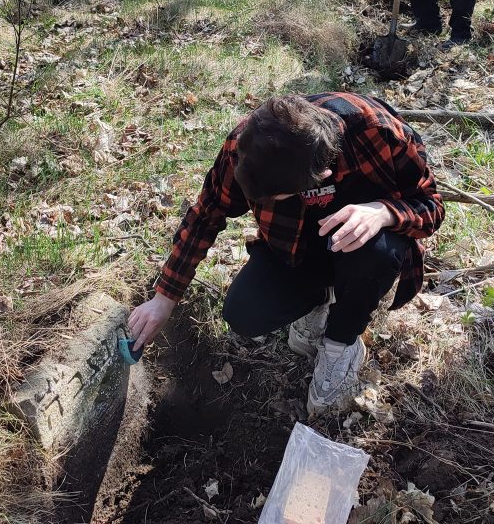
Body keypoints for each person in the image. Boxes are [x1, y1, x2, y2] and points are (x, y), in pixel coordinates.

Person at [127, 93, 444, 414]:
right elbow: (207, 213)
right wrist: (164, 298)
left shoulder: (375, 132)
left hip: (364, 250)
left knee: (377, 251)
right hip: (293, 248)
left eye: (277, 196)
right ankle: (317, 300)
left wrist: (383, 212)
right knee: (244, 313)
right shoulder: (249, 146)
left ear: (318, 177)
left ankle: (341, 346)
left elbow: (432, 207)